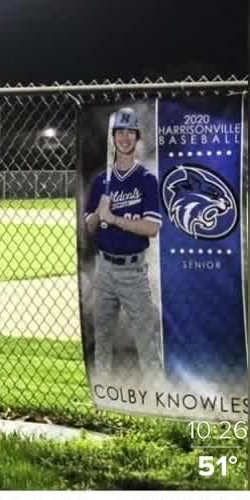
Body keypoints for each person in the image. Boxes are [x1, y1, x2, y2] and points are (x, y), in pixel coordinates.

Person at [83, 106, 164, 377]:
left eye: (131, 132)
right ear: (113, 138)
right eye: (120, 132)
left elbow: (151, 227)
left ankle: (157, 395)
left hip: (134, 271)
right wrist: (98, 213)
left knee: (146, 341)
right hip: (104, 270)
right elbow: (90, 227)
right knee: (102, 341)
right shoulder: (101, 181)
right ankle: (103, 390)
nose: (125, 137)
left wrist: (115, 218)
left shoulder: (146, 180)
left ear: (138, 138)